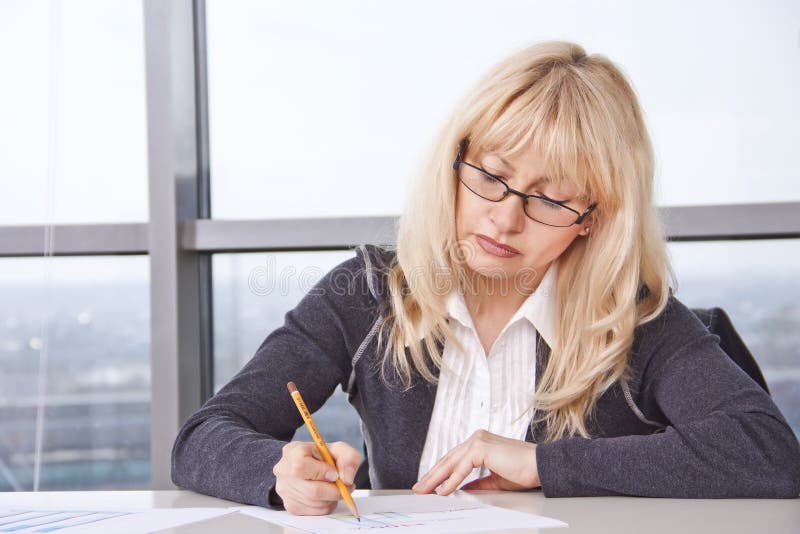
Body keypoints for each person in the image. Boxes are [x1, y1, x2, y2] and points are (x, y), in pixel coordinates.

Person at [171, 40, 800, 513]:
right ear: (455, 163)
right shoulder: (368, 293)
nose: (505, 219)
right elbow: (202, 437)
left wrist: (542, 464)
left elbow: (769, 454)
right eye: (491, 177)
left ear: (592, 219)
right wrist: (278, 472)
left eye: (550, 200)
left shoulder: (636, 321)